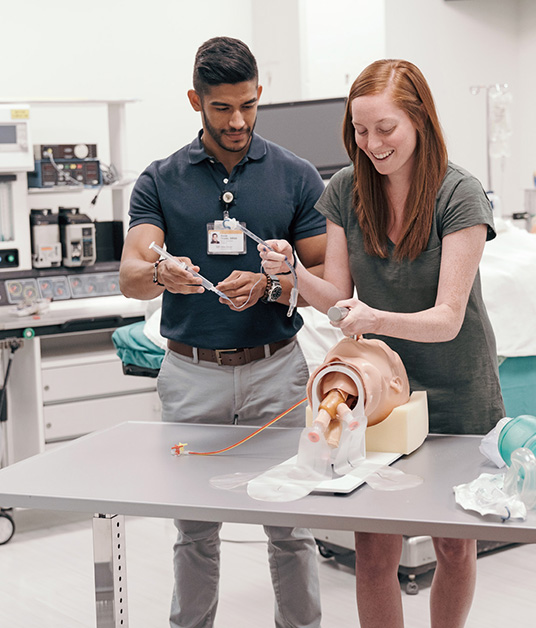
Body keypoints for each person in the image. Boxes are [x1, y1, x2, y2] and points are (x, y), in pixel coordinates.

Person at [259, 59, 505, 628]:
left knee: (452, 544)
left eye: (385, 128)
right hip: (379, 391)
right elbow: (339, 298)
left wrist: (373, 316)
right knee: (374, 552)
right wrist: (293, 275)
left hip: (457, 390)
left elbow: (447, 320)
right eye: (359, 130)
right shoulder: (345, 189)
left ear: (420, 120)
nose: (371, 143)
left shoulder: (459, 194)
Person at [119, 36, 326, 628]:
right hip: (190, 376)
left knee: (291, 527)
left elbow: (329, 282)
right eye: (221, 109)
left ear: (260, 95)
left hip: (278, 372)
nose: (237, 121)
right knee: (194, 530)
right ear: (195, 101)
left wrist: (277, 281)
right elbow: (132, 276)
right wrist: (160, 271)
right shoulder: (161, 179)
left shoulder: (296, 175)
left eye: (248, 105)